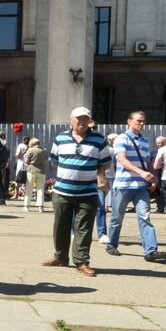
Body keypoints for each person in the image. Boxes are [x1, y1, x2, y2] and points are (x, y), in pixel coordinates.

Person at [43, 106, 113, 276]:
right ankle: (60, 257)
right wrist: (72, 172)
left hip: (87, 193)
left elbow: (106, 163)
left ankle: (82, 262)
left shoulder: (99, 140)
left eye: (85, 119)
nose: (82, 122)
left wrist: (89, 173)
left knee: (84, 229)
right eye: (78, 118)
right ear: (71, 119)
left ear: (90, 121)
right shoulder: (60, 138)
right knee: (60, 226)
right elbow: (54, 161)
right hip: (62, 192)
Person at [104, 111, 166, 263]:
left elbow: (147, 162)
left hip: (140, 186)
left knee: (145, 217)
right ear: (129, 121)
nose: (141, 124)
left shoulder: (145, 140)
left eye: (143, 121)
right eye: (138, 121)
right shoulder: (121, 138)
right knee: (117, 217)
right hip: (123, 184)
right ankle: (111, 244)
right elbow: (122, 159)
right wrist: (141, 172)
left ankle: (151, 251)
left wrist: (154, 178)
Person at [23, 137, 49, 212]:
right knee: (40, 189)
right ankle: (40, 207)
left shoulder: (30, 150)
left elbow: (26, 162)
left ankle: (27, 206)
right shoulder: (44, 151)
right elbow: (46, 161)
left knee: (29, 188)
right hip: (42, 171)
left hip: (31, 170)